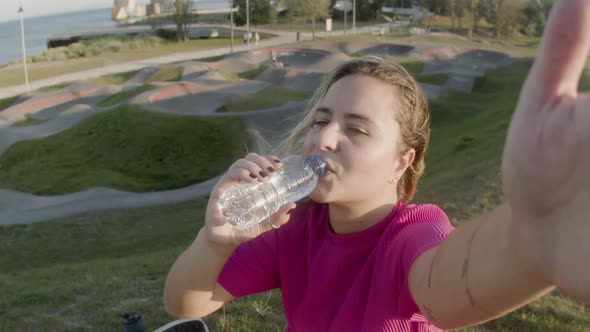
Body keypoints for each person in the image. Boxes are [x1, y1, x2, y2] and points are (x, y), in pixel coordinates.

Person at [164, 1, 590, 330]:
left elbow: (446, 291)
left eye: (358, 130)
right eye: (322, 120)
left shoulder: (415, 233)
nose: (325, 138)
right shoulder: (292, 227)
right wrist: (215, 242)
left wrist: (533, 240)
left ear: (401, 162)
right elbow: (185, 304)